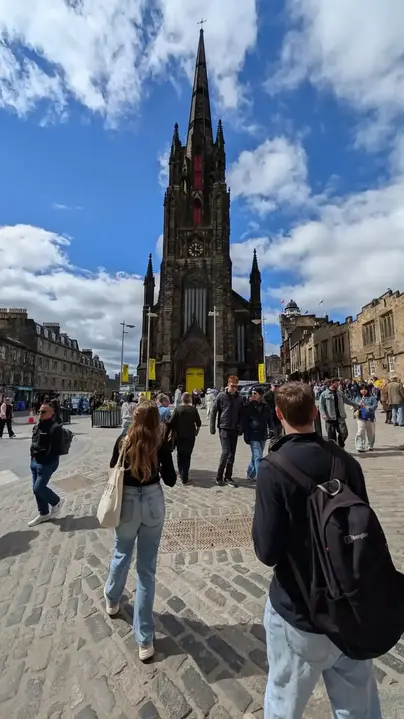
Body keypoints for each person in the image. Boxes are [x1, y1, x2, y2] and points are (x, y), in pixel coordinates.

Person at [252, 382, 382, 719]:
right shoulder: (346, 462)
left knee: (283, 706)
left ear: (278, 414)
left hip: (299, 611)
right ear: (315, 412)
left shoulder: (272, 469)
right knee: (359, 710)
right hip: (350, 609)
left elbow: (267, 552)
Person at [104, 400, 176, 661]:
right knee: (146, 571)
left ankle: (112, 599)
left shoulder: (124, 440)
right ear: (156, 420)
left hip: (128, 503)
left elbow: (113, 466)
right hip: (153, 502)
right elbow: (171, 480)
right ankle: (145, 641)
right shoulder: (161, 442)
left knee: (121, 552)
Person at [28, 402, 64, 527]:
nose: (40, 414)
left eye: (43, 412)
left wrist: (46, 457)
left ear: (52, 413)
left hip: (47, 463)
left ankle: (56, 501)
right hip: (34, 462)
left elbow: (57, 449)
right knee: (36, 490)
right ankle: (43, 514)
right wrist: (33, 458)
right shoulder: (37, 425)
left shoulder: (55, 428)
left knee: (38, 488)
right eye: (39, 411)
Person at [210, 375, 243, 487]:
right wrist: (212, 427)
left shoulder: (239, 398)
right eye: (232, 386)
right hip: (224, 427)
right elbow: (214, 411)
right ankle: (219, 477)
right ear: (228, 384)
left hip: (234, 429)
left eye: (236, 386)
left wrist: (241, 427)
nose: (234, 388)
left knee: (232, 454)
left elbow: (241, 414)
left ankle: (228, 477)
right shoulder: (221, 396)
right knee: (225, 452)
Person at [169, 392, 201, 484]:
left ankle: (181, 473)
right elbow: (198, 423)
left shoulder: (178, 409)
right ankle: (185, 476)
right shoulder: (193, 409)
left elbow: (171, 422)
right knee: (187, 456)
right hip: (190, 436)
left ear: (182, 399)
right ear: (189, 399)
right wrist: (197, 431)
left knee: (180, 455)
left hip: (179, 436)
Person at [319, 378, 357, 448]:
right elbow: (321, 406)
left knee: (344, 433)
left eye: (338, 383)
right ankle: (334, 450)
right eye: (336, 383)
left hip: (340, 416)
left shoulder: (340, 393)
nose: (338, 384)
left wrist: (355, 405)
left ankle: (340, 445)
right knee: (331, 436)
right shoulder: (324, 394)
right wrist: (323, 414)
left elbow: (347, 400)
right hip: (330, 417)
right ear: (332, 383)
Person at [243, 387, 270, 481]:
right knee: (258, 457)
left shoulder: (265, 406)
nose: (253, 395)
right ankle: (260, 478)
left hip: (263, 434)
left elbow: (269, 419)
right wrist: (246, 435)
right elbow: (245, 422)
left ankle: (250, 473)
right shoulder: (248, 406)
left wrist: (272, 429)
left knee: (256, 455)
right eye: (252, 393)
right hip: (253, 434)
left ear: (260, 395)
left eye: (255, 393)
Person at [355, 384, 378, 452]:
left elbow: (375, 406)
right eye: (362, 389)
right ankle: (360, 446)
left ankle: (370, 445)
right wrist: (357, 406)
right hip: (360, 417)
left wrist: (366, 407)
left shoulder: (372, 398)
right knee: (360, 431)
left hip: (369, 417)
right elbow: (354, 405)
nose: (363, 391)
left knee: (371, 432)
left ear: (368, 390)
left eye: (365, 389)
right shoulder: (358, 398)